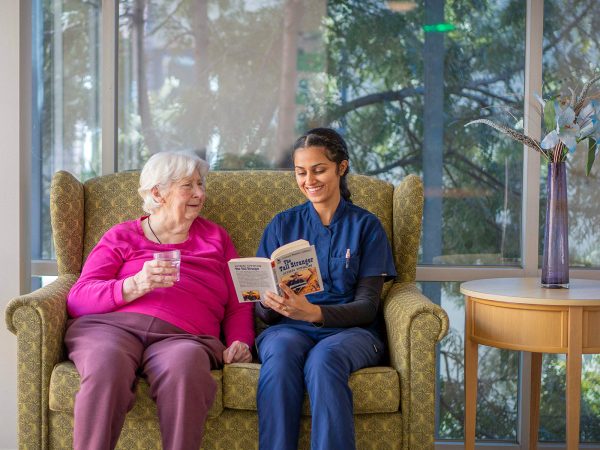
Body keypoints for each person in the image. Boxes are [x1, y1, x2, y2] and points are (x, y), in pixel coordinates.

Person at [65, 151, 254, 450]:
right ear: (158, 193)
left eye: (200, 184)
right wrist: (134, 284)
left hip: (184, 336)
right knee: (106, 364)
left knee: (186, 367)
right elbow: (78, 298)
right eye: (188, 186)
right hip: (112, 329)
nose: (200, 193)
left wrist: (240, 340)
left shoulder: (216, 238)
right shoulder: (122, 236)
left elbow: (239, 302)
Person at [255, 128, 397, 450]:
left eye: (318, 169)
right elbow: (262, 313)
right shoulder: (282, 225)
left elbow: (367, 306)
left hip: (352, 331)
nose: (309, 180)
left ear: (341, 168)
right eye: (301, 172)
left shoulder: (367, 227)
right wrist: (267, 301)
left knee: (324, 360)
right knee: (279, 356)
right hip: (289, 328)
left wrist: (316, 313)